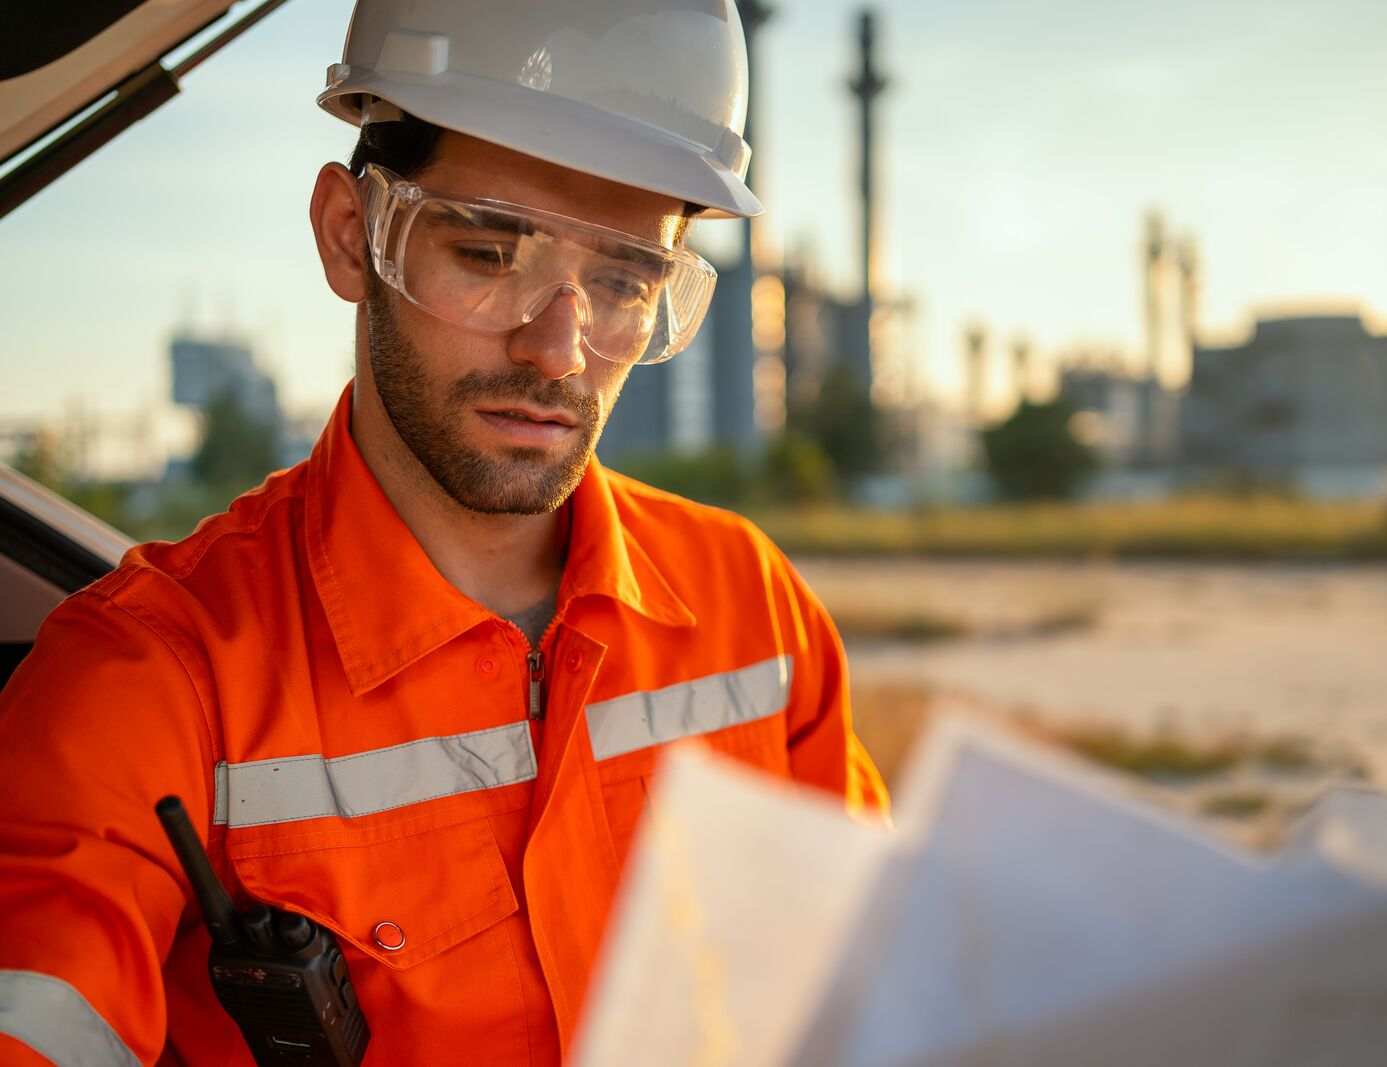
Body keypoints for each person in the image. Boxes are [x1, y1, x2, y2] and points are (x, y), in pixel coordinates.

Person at [0, 1, 888, 1063]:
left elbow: (881, 995)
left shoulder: (752, 608)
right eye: (487, 253)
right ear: (350, 234)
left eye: (623, 281)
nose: (557, 347)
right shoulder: (148, 684)